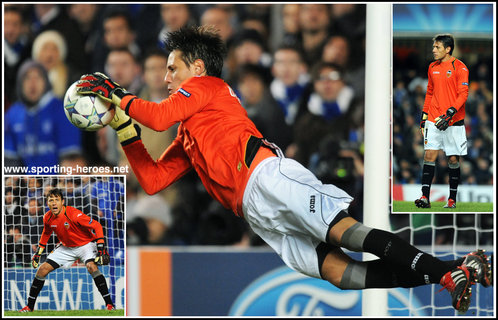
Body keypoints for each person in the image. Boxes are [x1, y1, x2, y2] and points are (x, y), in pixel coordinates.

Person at [76, 26, 491, 313]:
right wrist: (124, 128)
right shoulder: (189, 130)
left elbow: (159, 117)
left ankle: (446, 272)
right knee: (341, 275)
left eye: (172, 68)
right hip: (255, 213)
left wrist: (115, 93)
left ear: (196, 70)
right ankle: (455, 269)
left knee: (345, 232)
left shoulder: (207, 89)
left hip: (268, 177)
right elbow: (152, 180)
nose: (166, 77)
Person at [20, 188, 115, 312]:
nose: (54, 203)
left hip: (85, 245)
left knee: (92, 267)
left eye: (56, 200)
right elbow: (46, 233)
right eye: (51, 200)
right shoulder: (47, 217)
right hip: (66, 247)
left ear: (62, 202)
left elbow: (96, 225)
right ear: (47, 203)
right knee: (42, 269)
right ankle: (29, 307)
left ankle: (109, 305)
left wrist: (101, 247)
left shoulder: (73, 214)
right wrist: (38, 253)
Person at [415, 34, 469, 209]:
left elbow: (463, 94)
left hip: (453, 120)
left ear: (448, 49)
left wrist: (450, 112)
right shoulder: (432, 67)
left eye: (437, 47)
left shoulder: (460, 68)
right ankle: (424, 197)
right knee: (429, 155)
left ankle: (452, 199)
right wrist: (424, 117)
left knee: (453, 159)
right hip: (433, 117)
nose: (433, 50)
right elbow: (430, 92)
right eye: (434, 47)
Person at [4, 60, 82, 169]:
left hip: (56, 182)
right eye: (27, 78)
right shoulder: (12, 114)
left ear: (46, 81)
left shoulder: (62, 110)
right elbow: (8, 161)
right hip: (25, 183)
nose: (32, 83)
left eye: (38, 77)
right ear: (19, 84)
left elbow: (71, 160)